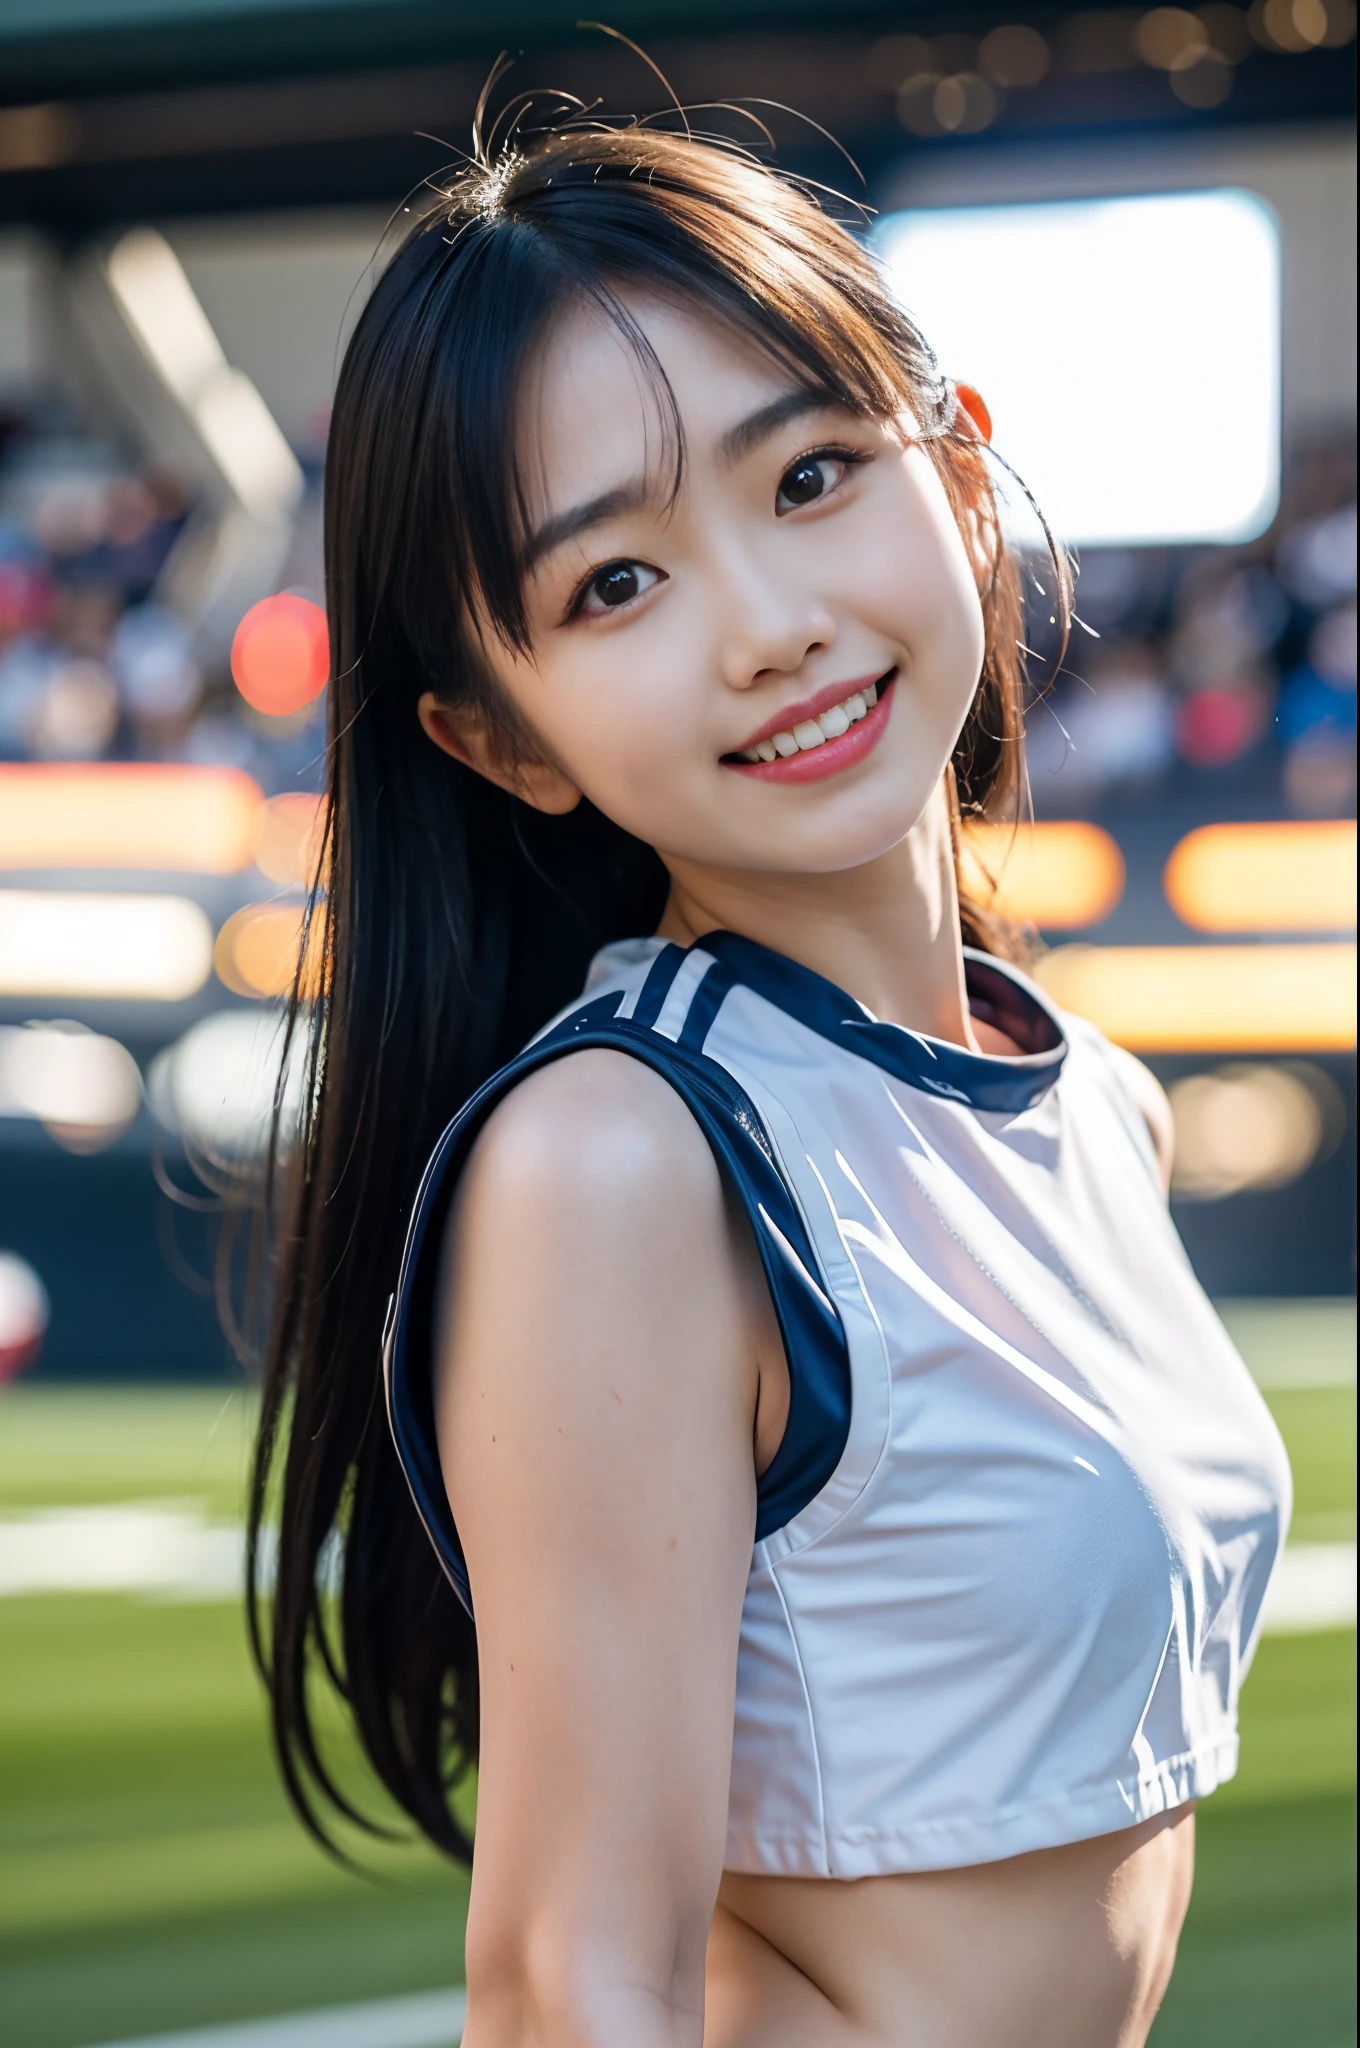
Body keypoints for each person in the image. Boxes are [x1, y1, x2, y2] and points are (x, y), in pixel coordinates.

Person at [250, 118, 1291, 2047]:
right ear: (500, 739)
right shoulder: (623, 1159)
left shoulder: (1098, 1107)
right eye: (616, 586)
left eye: (811, 475)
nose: (767, 623)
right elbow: (575, 1979)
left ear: (959, 474)